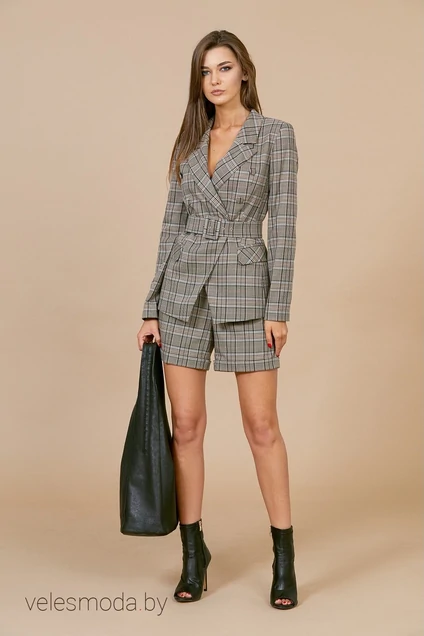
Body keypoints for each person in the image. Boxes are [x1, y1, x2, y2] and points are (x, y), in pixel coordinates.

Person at [136, 29, 299, 609]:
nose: (214, 80)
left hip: (247, 292)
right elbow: (170, 228)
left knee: (262, 426)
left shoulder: (275, 136)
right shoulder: (189, 142)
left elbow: (284, 227)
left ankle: (284, 558)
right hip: (183, 295)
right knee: (185, 426)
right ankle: (192, 554)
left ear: (244, 72)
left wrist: (278, 308)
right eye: (205, 72)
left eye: (224, 68)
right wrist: (151, 306)